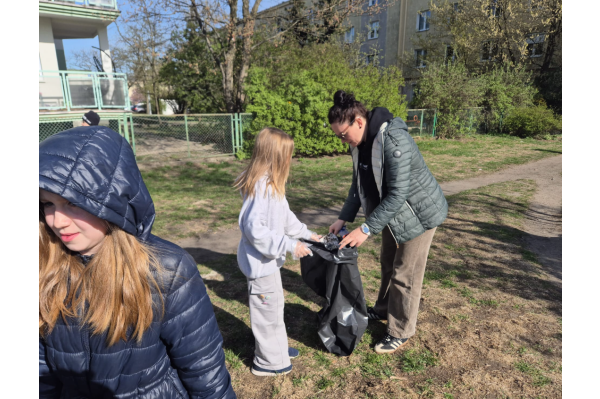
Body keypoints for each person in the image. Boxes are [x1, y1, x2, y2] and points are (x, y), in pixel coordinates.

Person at [39, 126, 236, 399]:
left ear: (112, 201)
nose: (57, 221)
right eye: (48, 204)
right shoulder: (45, 265)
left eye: (72, 203)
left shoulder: (167, 270)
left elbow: (204, 372)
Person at [327, 90, 448, 354]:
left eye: (343, 135)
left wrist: (366, 229)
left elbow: (398, 194)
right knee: (387, 264)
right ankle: (383, 309)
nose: (342, 141)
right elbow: (357, 185)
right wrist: (343, 218)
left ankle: (401, 330)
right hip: (392, 214)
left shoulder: (393, 140)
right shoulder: (359, 144)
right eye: (338, 136)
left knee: (405, 273)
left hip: (418, 214)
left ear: (359, 121)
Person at [234, 128, 321, 376]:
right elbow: (254, 230)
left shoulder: (271, 185)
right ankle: (268, 363)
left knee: (274, 309)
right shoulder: (260, 188)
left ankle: (277, 349)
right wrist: (290, 245)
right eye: (288, 155)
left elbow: (285, 217)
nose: (290, 160)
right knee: (266, 314)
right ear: (276, 157)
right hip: (260, 266)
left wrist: (307, 234)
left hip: (268, 265)